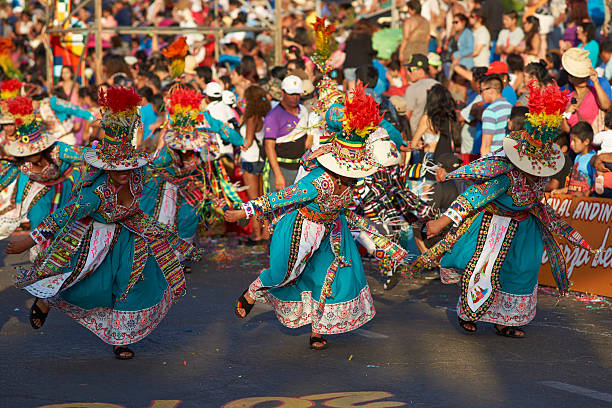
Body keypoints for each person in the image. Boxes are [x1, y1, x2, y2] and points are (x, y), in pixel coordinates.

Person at [7, 86, 201, 360]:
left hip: (130, 236)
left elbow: (158, 171)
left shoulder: (138, 175)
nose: (124, 173)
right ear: (107, 167)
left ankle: (121, 338)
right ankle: (47, 299)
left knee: (133, 283)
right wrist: (29, 239)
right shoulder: (94, 194)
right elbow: (63, 215)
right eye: (118, 169)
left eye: (128, 167)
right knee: (85, 285)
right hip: (97, 239)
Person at [225, 85, 407, 350]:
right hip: (302, 228)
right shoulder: (318, 182)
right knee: (285, 274)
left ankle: (318, 329)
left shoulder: (352, 178)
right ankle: (253, 290)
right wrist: (246, 210)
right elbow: (284, 196)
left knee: (327, 279)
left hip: (332, 230)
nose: (355, 177)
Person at [417, 82, 594, 338]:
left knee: (521, 272)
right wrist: (440, 223)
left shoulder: (542, 172)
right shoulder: (504, 174)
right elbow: (472, 197)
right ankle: (469, 313)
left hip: (526, 228)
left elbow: (540, 200)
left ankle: (508, 320)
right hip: (494, 226)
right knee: (482, 270)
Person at [262, 75, 308, 193]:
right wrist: (278, 175)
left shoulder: (303, 110)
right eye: (291, 94)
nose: (295, 97)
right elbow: (269, 147)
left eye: (297, 94)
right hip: (282, 169)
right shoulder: (273, 116)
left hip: (300, 169)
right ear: (282, 93)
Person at [239, 85, 271, 244]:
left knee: (253, 201)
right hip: (262, 160)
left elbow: (248, 142)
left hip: (251, 160)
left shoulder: (252, 118)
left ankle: (256, 234)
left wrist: (235, 140)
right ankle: (264, 232)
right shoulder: (265, 116)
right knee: (262, 199)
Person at [561, 48, 612, 133]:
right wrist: (565, 114)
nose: (584, 78)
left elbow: (606, 106)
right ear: (570, 78)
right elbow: (566, 130)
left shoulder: (594, 91)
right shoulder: (567, 98)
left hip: (596, 143)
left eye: (585, 75)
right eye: (580, 76)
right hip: (576, 144)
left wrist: (595, 81)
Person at [409, 84, 457, 163]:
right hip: (445, 159)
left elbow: (413, 144)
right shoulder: (448, 118)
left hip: (430, 158)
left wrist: (419, 144)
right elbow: (451, 143)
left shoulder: (427, 119)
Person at [552, 121, 596, 196]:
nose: (571, 144)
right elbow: (574, 186)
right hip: (574, 201)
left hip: (586, 203)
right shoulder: (577, 157)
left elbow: (596, 185)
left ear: (586, 141)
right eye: (571, 140)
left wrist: (584, 194)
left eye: (574, 141)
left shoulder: (593, 158)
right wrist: (561, 191)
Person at [403, 54, 440, 135]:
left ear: (421, 71)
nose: (408, 73)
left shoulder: (413, 89)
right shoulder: (439, 86)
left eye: (410, 70)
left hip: (417, 139)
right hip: (436, 138)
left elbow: (406, 117)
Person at [480, 75, 512, 156]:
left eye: (481, 90)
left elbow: (486, 146)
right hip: (509, 157)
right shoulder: (510, 107)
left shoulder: (490, 111)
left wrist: (485, 166)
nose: (481, 94)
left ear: (491, 90)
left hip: (495, 159)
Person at [342, 20, 376, 90]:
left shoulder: (350, 37)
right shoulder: (367, 37)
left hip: (348, 65)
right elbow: (369, 50)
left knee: (352, 91)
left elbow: (345, 50)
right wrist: (375, 53)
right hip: (362, 66)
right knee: (363, 91)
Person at [400, 0, 431, 64]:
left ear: (413, 10)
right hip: (422, 52)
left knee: (410, 72)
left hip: (409, 52)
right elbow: (428, 37)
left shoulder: (409, 21)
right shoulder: (426, 21)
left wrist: (401, 52)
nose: (407, 11)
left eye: (408, 8)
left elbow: (406, 38)